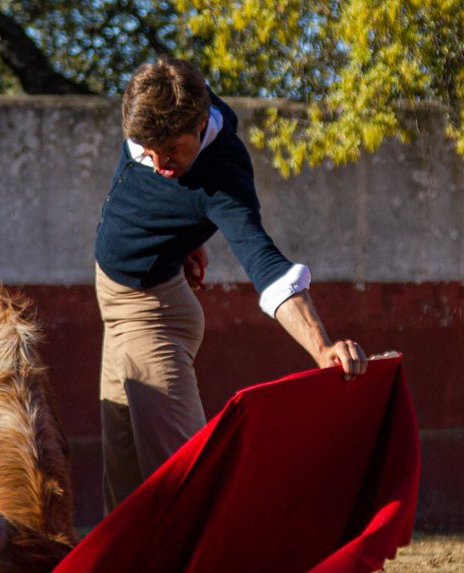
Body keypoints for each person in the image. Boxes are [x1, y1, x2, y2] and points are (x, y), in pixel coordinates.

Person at [95, 57, 366, 513]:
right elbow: (147, 173)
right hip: (121, 307)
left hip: (150, 321)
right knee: (124, 490)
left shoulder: (223, 179)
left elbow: (266, 265)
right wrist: (179, 241)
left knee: (185, 484)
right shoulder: (169, 100)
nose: (160, 164)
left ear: (202, 124)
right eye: (148, 150)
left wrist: (322, 349)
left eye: (172, 152)